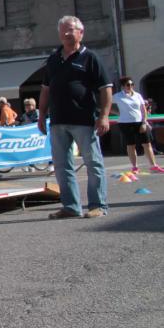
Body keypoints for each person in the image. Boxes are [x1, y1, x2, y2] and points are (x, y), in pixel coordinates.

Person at [38, 15, 112, 220]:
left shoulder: (90, 58)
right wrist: (41, 115)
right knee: (62, 167)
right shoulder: (53, 59)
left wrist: (104, 116)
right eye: (63, 30)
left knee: (93, 163)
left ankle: (98, 205)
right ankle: (71, 207)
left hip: (84, 120)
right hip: (58, 121)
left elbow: (106, 89)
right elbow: (45, 89)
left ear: (81, 32)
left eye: (70, 29)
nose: (66, 33)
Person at [112, 77, 162, 174]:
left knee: (147, 144)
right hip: (125, 123)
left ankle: (153, 166)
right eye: (128, 85)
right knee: (131, 145)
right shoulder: (117, 96)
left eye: (132, 84)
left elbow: (143, 110)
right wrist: (117, 113)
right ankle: (134, 167)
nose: (130, 86)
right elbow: (106, 104)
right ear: (123, 86)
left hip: (139, 122)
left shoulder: (138, 95)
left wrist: (144, 122)